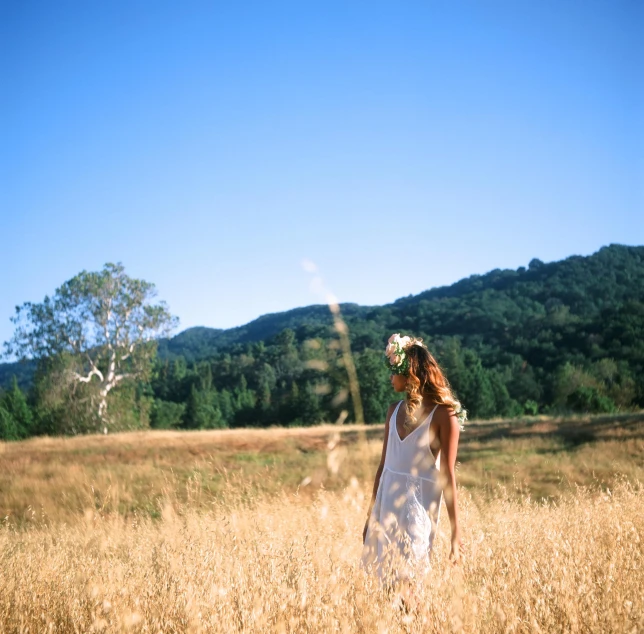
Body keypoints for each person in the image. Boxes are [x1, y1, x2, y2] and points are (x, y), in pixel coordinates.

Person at [361, 333, 466, 587]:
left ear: (409, 374)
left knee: (410, 592)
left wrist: (455, 533)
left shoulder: (444, 415)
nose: (390, 378)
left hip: (416, 515)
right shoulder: (392, 411)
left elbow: (448, 476)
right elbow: (383, 467)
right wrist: (370, 517)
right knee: (387, 591)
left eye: (393, 371)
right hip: (385, 511)